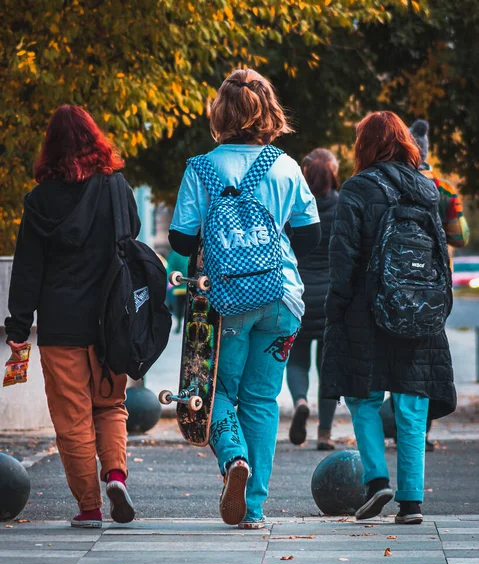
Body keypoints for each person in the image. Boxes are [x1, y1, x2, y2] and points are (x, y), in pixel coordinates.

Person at [169, 69, 320, 529]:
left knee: (215, 391)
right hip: (281, 299)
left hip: (226, 301)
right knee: (262, 400)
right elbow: (311, 236)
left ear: (220, 113)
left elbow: (178, 237)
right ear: (267, 111)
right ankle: (253, 508)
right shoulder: (286, 166)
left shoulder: (200, 168)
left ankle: (233, 459)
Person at [5, 105, 140, 528]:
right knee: (111, 404)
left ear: (52, 148)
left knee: (72, 418)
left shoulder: (40, 201)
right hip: (110, 321)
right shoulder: (116, 187)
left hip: (61, 326)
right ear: (94, 139)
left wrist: (18, 328)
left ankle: (90, 506)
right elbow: (131, 237)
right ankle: (115, 475)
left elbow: (28, 268)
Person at [320, 111, 456, 524]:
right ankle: (412, 502)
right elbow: (440, 252)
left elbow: (343, 258)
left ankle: (377, 481)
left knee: (364, 396)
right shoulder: (426, 189)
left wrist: (335, 311)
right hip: (420, 309)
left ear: (366, 145)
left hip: (367, 309)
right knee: (412, 404)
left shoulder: (357, 189)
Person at [410, 119, 470, 450]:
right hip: (435, 282)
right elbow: (461, 237)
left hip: (394, 282)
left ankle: (400, 427)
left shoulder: (388, 183)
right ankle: (423, 432)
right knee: (427, 359)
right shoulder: (444, 189)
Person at [286, 149, 339, 450]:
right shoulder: (343, 204)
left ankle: (300, 402)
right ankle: (325, 433)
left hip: (300, 294)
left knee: (297, 358)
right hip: (331, 298)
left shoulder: (295, 206)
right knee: (327, 366)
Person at [166, 249, 189, 333]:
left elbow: (170, 267)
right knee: (188, 309)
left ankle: (180, 326)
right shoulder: (192, 250)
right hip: (188, 287)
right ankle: (184, 326)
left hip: (179, 286)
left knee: (179, 308)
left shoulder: (175, 253)